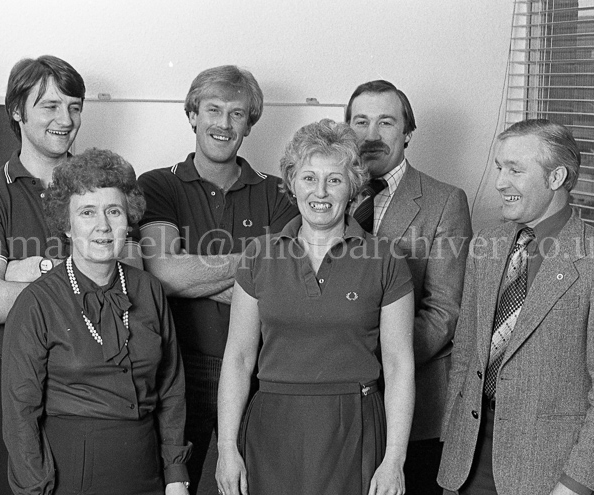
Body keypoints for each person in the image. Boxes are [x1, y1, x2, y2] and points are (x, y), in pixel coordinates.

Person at [0, 55, 140, 495]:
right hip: (12, 382)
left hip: (100, 380)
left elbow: (130, 283)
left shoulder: (108, 183)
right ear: (16, 111)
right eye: (51, 106)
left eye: (74, 107)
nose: (66, 119)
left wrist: (33, 271)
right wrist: (83, 273)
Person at [216, 119, 415, 495]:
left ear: (352, 186)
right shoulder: (258, 255)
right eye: (309, 177)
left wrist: (394, 460)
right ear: (292, 182)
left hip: (354, 425)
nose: (320, 192)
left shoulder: (386, 259)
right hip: (272, 428)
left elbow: (398, 364)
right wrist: (227, 449)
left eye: (334, 180)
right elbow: (239, 358)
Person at [437, 119, 594, 495]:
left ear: (556, 177)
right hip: (466, 464)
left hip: (550, 475)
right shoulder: (485, 245)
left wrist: (574, 486)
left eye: (515, 170)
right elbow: (466, 353)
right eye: (499, 168)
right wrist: (451, 443)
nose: (500, 182)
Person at [137, 65, 298, 494]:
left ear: (249, 124)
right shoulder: (157, 185)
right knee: (172, 485)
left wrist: (196, 273)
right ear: (193, 115)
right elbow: (164, 275)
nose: (223, 124)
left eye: (236, 114)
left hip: (258, 370)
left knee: (252, 485)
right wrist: (258, 261)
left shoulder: (280, 193)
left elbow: (286, 288)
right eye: (213, 110)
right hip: (177, 368)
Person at [1, 148, 191, 495]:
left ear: (128, 219)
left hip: (146, 470)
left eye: (113, 211)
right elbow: (19, 414)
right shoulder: (37, 302)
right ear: (67, 224)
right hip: (68, 474)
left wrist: (176, 474)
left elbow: (171, 388)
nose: (103, 226)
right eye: (87, 212)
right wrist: (35, 489)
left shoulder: (149, 290)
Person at [346, 79, 472, 494]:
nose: (371, 135)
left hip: (413, 405)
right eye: (360, 122)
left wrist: (376, 362)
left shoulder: (444, 201)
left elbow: (445, 309)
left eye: (385, 122)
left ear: (407, 133)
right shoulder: (325, 193)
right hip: (336, 400)